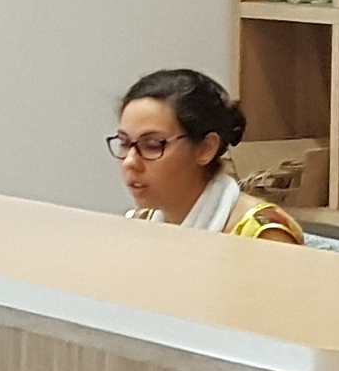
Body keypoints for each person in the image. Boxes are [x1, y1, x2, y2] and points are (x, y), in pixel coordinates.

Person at [111, 68, 304, 242]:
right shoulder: (144, 220)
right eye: (124, 143)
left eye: (153, 145)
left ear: (206, 148)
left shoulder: (265, 235)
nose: (130, 161)